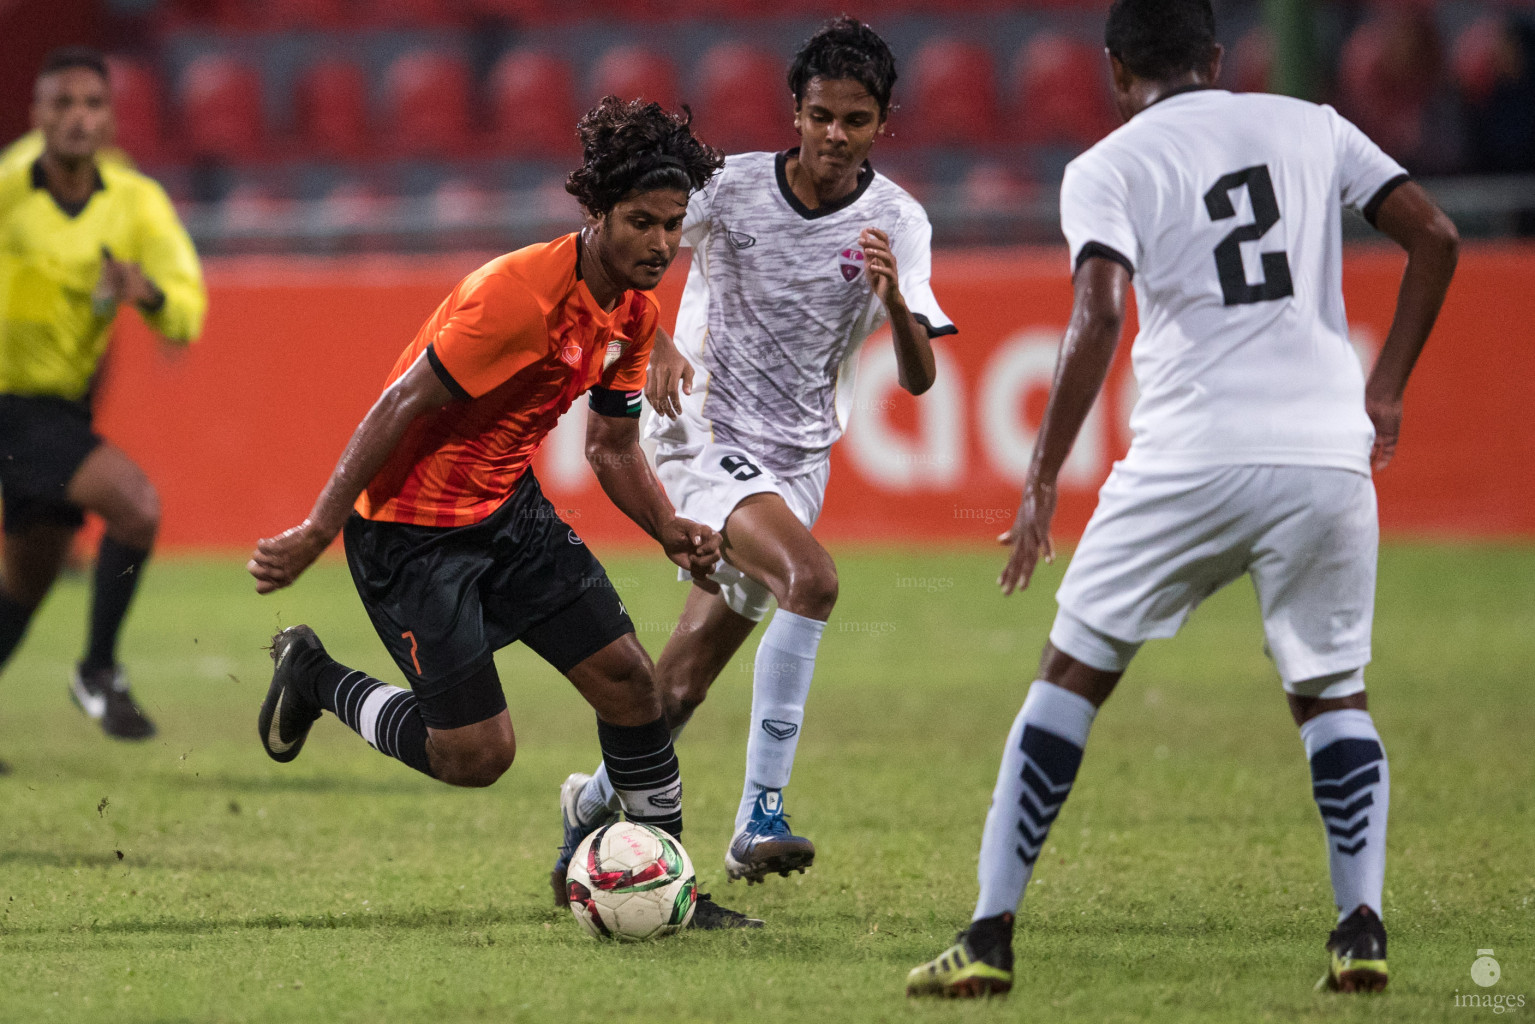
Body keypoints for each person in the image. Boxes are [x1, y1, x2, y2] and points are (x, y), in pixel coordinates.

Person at [906, 0, 1458, 998]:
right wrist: (1384, 389)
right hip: (1325, 452)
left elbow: (1102, 306)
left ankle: (988, 932)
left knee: (1069, 672)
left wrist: (1038, 481)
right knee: (1330, 689)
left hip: (1191, 449)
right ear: (1212, 58)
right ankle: (1359, 924)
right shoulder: (1312, 125)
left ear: (1116, 72)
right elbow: (1435, 237)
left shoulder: (1108, 165)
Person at [246, 97, 758, 929]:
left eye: (672, 224)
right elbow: (398, 405)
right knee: (475, 756)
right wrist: (317, 527)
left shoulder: (634, 310)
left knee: (632, 686)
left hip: (507, 512)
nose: (661, 244)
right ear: (595, 214)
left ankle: (674, 886)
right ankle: (315, 675)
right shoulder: (515, 299)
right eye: (640, 222)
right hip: (411, 535)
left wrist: (667, 529)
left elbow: (612, 450)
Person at [550, 16, 955, 899]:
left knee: (682, 684)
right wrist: (653, 344)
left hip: (798, 463)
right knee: (810, 581)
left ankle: (589, 807)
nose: (833, 137)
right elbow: (622, 246)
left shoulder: (898, 222)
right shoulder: (730, 190)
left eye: (854, 120)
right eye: (819, 116)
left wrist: (892, 305)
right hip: (701, 432)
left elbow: (920, 379)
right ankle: (758, 818)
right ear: (795, 112)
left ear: (882, 122)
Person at [0, 48, 206, 750]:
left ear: (110, 119)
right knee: (135, 505)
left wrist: (144, 292)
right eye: (61, 104)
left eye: (90, 104)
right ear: (36, 115)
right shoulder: (8, 188)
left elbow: (186, 309)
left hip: (59, 411)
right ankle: (96, 671)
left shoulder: (134, 203)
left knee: (26, 580)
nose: (76, 118)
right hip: (9, 405)